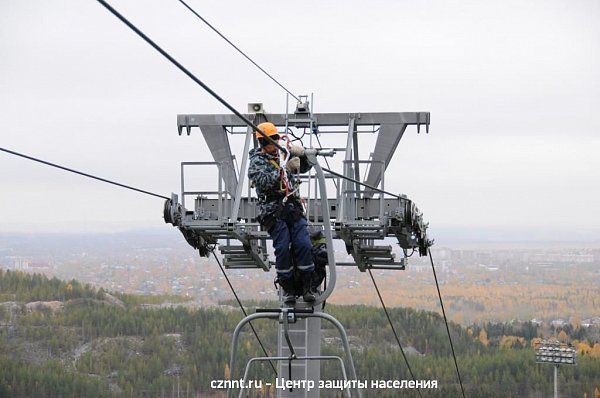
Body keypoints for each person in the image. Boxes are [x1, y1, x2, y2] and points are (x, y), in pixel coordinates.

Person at [248, 122, 316, 305]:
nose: (271, 145)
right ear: (261, 143)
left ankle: (308, 285)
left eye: (273, 140)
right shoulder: (257, 162)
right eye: (267, 142)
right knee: (283, 248)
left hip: (292, 208)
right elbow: (264, 181)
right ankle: (288, 288)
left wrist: (305, 156)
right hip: (273, 211)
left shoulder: (284, 154)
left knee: (303, 244)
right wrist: (285, 169)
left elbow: (305, 166)